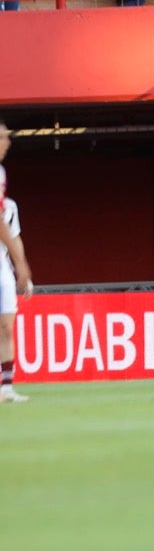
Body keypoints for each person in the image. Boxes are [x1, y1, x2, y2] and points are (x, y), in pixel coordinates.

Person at [0, 121, 33, 402]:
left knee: (7, 325)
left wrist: (20, 264)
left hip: (1, 265)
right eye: (2, 137)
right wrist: (21, 265)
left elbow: (13, 233)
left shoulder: (10, 203)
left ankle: (6, 387)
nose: (7, 142)